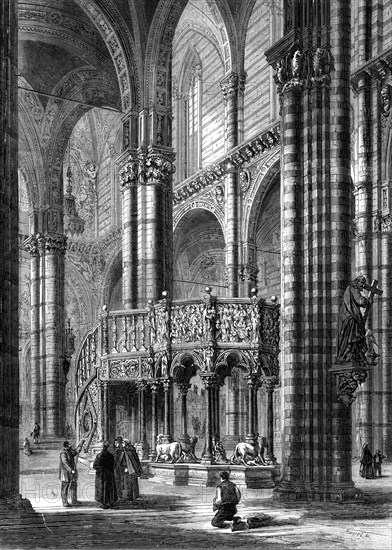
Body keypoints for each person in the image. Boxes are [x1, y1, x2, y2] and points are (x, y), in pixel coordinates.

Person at [336, 276, 369, 365]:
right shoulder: (353, 288)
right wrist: (367, 300)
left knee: (351, 337)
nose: (363, 285)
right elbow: (360, 301)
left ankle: (350, 354)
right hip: (351, 317)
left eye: (364, 283)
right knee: (352, 336)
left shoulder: (350, 288)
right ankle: (349, 355)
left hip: (348, 316)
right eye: (362, 282)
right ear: (356, 282)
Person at [113, 436, 143, 503]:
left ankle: (129, 497)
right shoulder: (126, 450)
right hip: (127, 469)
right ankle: (128, 497)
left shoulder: (128, 450)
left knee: (128, 484)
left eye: (123, 442)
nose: (122, 444)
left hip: (129, 469)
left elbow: (129, 461)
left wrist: (126, 467)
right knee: (127, 483)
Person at [59, 439, 85, 507]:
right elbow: (65, 463)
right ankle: (65, 502)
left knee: (73, 485)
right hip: (65, 473)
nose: (71, 445)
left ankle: (74, 501)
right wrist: (71, 470)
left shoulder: (69, 451)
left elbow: (76, 451)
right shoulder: (63, 453)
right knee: (65, 487)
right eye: (70, 444)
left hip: (71, 472)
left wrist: (81, 443)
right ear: (66, 446)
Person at [93, 442, 117, 508]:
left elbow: (94, 466)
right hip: (109, 474)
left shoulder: (99, 455)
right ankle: (110, 502)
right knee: (109, 488)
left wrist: (99, 469)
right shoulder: (111, 455)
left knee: (102, 488)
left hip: (101, 474)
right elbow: (114, 465)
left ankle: (104, 503)